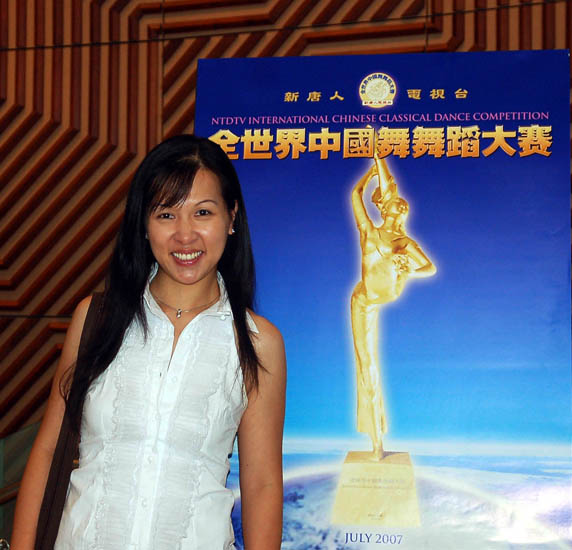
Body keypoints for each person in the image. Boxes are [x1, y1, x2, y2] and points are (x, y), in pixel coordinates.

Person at [11, 135, 286, 549]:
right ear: (143, 223)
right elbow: (49, 451)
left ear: (231, 217)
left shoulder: (257, 342)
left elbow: (262, 483)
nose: (185, 235)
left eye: (203, 212)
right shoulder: (97, 319)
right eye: (166, 214)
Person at [351, 155, 435, 460]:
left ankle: (378, 439)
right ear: (385, 208)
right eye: (397, 205)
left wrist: (407, 270)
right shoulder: (369, 231)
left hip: (383, 296)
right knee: (368, 368)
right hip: (363, 304)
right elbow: (356, 194)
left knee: (372, 368)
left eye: (403, 207)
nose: (402, 208)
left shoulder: (404, 242)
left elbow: (429, 268)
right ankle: (376, 440)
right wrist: (374, 168)